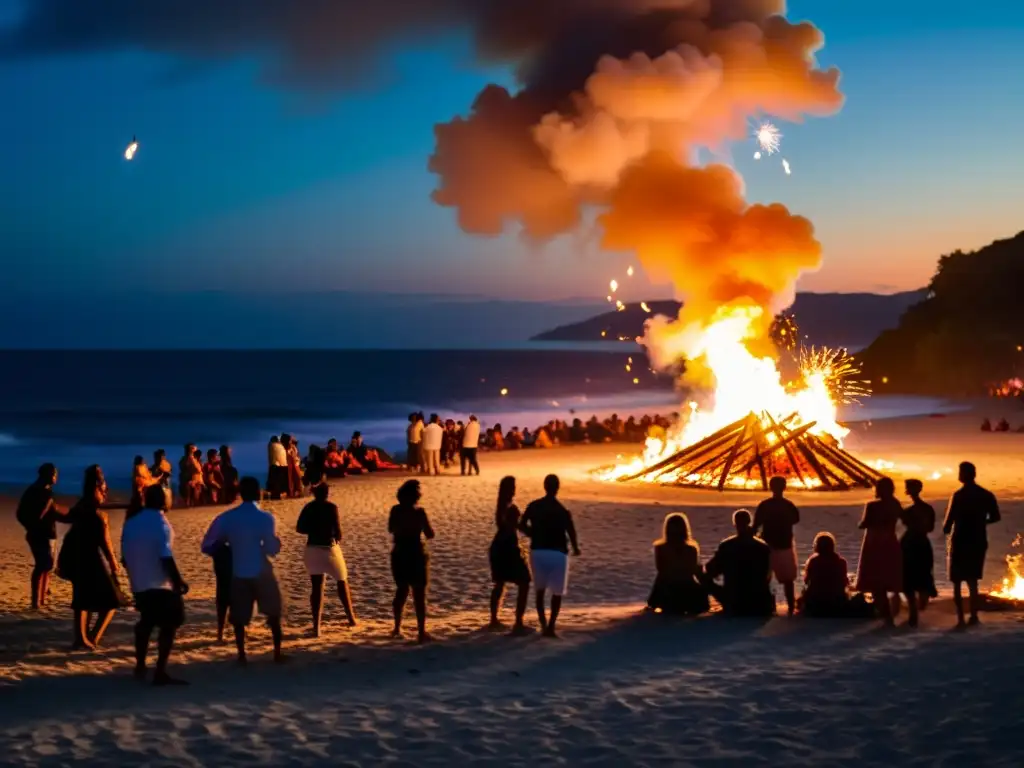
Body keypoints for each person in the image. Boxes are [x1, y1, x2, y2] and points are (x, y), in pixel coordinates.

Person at [201, 477, 285, 664]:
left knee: (239, 617)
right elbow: (271, 549)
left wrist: (225, 547)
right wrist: (274, 545)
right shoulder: (265, 518)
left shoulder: (227, 518)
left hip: (238, 570)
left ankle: (242, 655)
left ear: (240, 493)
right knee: (273, 612)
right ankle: (277, 653)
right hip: (261, 570)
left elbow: (207, 545)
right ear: (258, 493)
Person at [121, 484, 190, 685]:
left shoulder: (132, 522)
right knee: (171, 622)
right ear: (162, 501)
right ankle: (160, 671)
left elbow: (124, 556)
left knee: (148, 621)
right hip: (159, 584)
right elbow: (165, 558)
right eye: (169, 496)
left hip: (139, 583)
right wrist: (178, 582)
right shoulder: (161, 524)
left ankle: (141, 665)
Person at [60, 466, 123, 649]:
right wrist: (112, 561)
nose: (106, 491)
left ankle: (86, 638)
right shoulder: (95, 513)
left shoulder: (82, 506)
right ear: (97, 486)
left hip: (76, 554)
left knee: (82, 598)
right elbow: (104, 541)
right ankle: (87, 638)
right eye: (104, 488)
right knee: (110, 600)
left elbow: (70, 524)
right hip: (88, 557)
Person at [519, 474, 580, 637]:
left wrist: (532, 533)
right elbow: (571, 532)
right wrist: (575, 548)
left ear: (544, 486)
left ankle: (544, 624)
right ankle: (551, 626)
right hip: (558, 553)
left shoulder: (534, 506)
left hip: (538, 551)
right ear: (557, 488)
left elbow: (521, 524)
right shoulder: (562, 510)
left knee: (540, 590)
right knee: (557, 593)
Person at [943, 461, 1001, 628]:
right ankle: (973, 616)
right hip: (977, 540)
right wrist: (981, 522)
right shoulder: (986, 494)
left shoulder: (958, 496)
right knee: (973, 581)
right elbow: (996, 517)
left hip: (960, 540)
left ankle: (961, 617)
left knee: (957, 581)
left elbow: (948, 525)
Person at [296, 481, 357, 636]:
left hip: (312, 548)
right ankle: (351, 619)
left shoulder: (309, 507)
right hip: (329, 547)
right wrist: (332, 534)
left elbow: (300, 528)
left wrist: (314, 528)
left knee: (317, 587)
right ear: (326, 494)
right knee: (342, 581)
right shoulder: (331, 508)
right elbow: (338, 532)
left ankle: (316, 627)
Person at [388, 480, 435, 643]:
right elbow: (430, 533)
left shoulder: (395, 510)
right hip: (416, 552)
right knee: (419, 594)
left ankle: (396, 627)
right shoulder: (419, 512)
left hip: (399, 552)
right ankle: (421, 631)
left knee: (401, 590)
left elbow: (391, 528)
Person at [703, 509, 774, 616]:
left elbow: (711, 570)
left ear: (735, 523)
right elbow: (768, 576)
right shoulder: (763, 547)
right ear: (749, 522)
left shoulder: (727, 546)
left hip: (735, 602)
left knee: (702, 576)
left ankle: (702, 605)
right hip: (760, 602)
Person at [17, 463, 68, 609]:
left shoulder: (42, 491)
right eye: (55, 474)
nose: (56, 477)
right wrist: (33, 527)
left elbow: (52, 513)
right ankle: (35, 602)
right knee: (43, 565)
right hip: (40, 535)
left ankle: (41, 599)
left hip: (47, 533)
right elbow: (36, 513)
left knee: (47, 566)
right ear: (48, 474)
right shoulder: (40, 493)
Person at [855, 476, 903, 626]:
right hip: (890, 542)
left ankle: (885, 614)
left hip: (874, 543)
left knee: (876, 580)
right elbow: (904, 518)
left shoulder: (872, 506)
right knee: (890, 577)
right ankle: (893, 611)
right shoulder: (895, 504)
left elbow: (864, 524)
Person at [488, 476, 531, 633]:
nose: (514, 490)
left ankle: (494, 619)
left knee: (500, 583)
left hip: (500, 547)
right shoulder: (507, 507)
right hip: (507, 549)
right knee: (524, 581)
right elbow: (513, 526)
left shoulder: (503, 505)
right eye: (512, 487)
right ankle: (518, 622)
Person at [752, 476, 800, 615]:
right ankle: (791, 606)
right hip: (784, 544)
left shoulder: (765, 505)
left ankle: (765, 605)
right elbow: (795, 519)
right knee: (788, 579)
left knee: (764, 577)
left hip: (767, 545)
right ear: (784, 487)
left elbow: (756, 525)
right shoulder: (788, 505)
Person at [647, 513, 710, 616]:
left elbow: (661, 569)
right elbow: (690, 571)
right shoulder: (690, 549)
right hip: (680, 587)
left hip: (669, 587)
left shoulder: (661, 548)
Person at [900, 478, 938, 627]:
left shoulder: (909, 511)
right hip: (922, 542)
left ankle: (914, 611)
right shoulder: (928, 509)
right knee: (923, 573)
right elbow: (930, 528)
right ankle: (919, 606)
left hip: (910, 542)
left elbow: (905, 521)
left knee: (908, 576)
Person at [800, 532, 858, 617]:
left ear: (817, 546)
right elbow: (844, 582)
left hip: (816, 602)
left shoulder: (813, 562)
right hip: (837, 601)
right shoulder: (841, 562)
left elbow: (806, 581)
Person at [267, 436, 289, 500]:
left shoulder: (271, 445)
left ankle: (275, 495)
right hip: (279, 465)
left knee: (275, 482)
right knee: (278, 482)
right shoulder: (277, 446)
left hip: (274, 465)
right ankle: (276, 495)